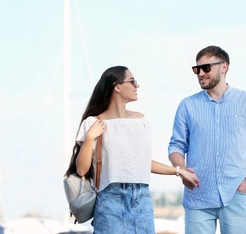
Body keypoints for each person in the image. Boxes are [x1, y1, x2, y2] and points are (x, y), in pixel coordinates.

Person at [65, 66, 200, 234]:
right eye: (132, 81)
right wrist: (90, 137)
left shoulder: (140, 121)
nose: (137, 85)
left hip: (142, 199)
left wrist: (179, 171)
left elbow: (143, 163)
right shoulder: (93, 122)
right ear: (117, 86)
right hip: (110, 199)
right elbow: (82, 169)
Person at [168, 46, 246, 234]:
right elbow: (176, 145)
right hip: (197, 196)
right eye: (197, 69)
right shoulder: (187, 105)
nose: (200, 73)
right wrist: (182, 171)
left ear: (224, 67)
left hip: (236, 193)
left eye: (206, 68)